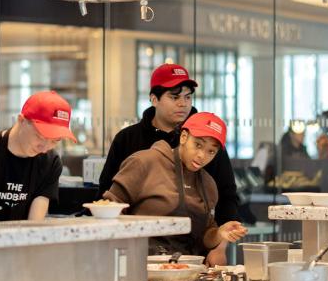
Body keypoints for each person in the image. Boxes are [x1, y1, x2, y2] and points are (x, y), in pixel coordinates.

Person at [98, 63, 240, 227]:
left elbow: (227, 197)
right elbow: (107, 194)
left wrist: (220, 247)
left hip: (197, 243)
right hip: (140, 237)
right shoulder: (127, 139)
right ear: (154, 99)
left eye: (187, 97)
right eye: (174, 97)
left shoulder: (208, 140)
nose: (183, 104)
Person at [103, 112, 247, 265]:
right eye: (198, 145)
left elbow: (204, 237)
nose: (202, 155)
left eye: (211, 151)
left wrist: (219, 234)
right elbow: (109, 210)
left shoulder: (208, 184)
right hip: (138, 266)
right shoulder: (144, 162)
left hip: (184, 272)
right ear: (184, 137)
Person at [0, 90, 76, 221]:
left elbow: (34, 225)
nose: (45, 148)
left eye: (54, 141)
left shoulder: (50, 162)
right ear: (21, 120)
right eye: (40, 136)